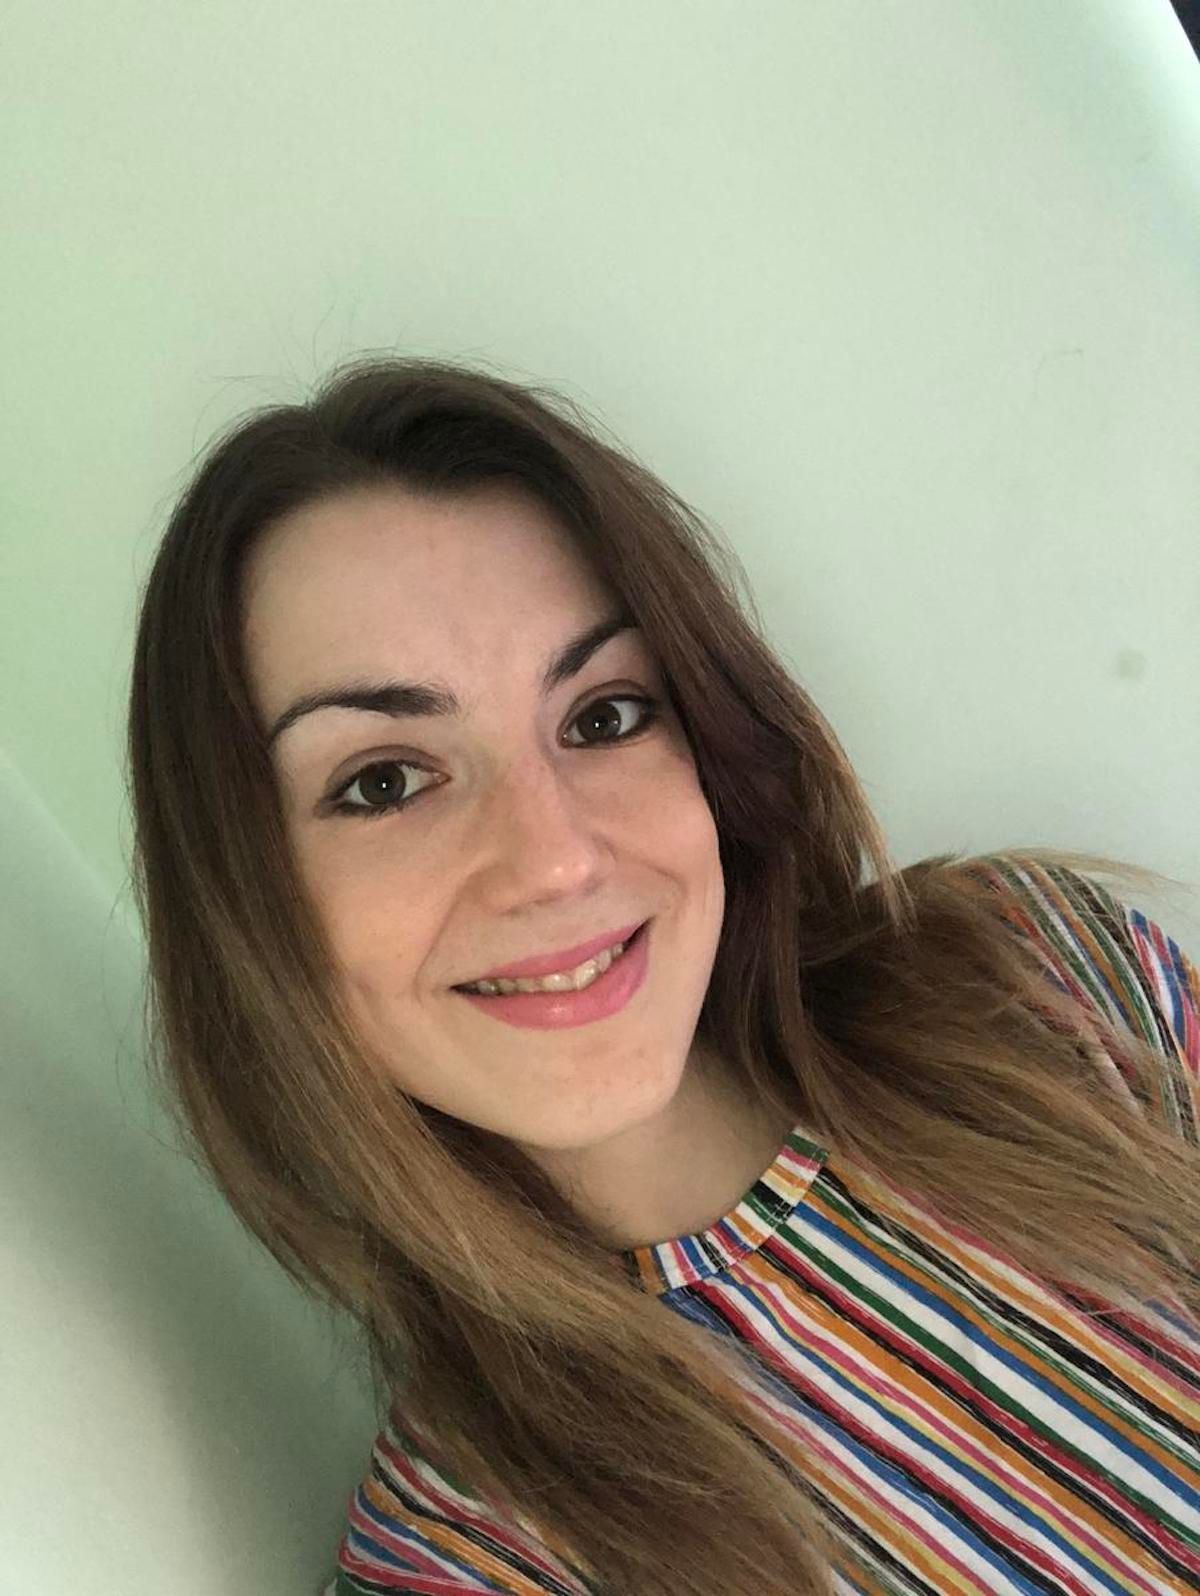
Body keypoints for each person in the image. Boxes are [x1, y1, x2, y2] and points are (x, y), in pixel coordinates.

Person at [125, 357, 1200, 1596]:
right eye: (384, 781)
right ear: (247, 904)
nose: (556, 858)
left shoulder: (1038, 972)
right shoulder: (465, 1568)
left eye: (603, 716)